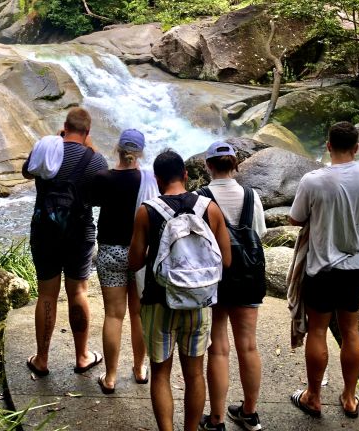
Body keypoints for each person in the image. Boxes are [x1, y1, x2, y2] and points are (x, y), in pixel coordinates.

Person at [288, 121, 359, 418]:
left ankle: (313, 397)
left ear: (328, 146)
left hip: (320, 268)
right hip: (354, 268)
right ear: (357, 148)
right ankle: (349, 398)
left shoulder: (313, 180)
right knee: (351, 332)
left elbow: (295, 220)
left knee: (318, 331)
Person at [129, 150, 232, 431]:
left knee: (161, 374)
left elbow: (135, 261)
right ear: (186, 175)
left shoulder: (147, 211)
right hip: (199, 304)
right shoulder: (209, 208)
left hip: (159, 303)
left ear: (157, 179)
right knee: (195, 373)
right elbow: (227, 260)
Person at [22, 107, 108, 376]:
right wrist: (90, 148)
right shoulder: (96, 160)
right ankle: (82, 356)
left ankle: (42, 359)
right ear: (88, 132)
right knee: (78, 292)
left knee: (46, 293)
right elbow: (99, 198)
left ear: (64, 127)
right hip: (79, 233)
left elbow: (27, 172)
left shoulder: (46, 150)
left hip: (44, 231)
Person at [197, 142, 266, 431]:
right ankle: (249, 413)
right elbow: (259, 233)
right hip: (249, 276)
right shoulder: (252, 196)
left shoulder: (200, 198)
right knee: (248, 345)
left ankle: (217, 419)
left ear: (208, 166)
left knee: (219, 346)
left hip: (217, 277)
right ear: (235, 165)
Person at [92, 129, 159, 393]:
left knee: (113, 314)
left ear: (117, 149)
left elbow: (91, 201)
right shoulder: (149, 179)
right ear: (141, 152)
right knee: (139, 313)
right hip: (140, 253)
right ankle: (140, 369)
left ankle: (110, 377)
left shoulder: (103, 177)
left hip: (110, 252)